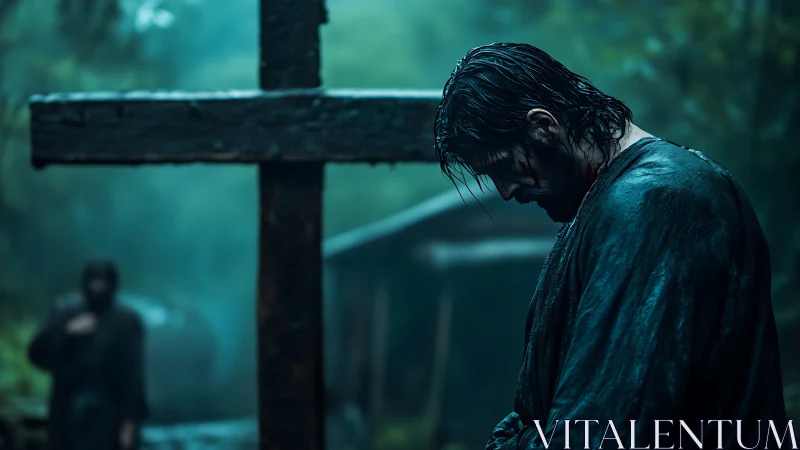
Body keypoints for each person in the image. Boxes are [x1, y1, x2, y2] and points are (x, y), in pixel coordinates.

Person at [434, 43, 788, 449]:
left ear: (543, 126)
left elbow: (601, 432)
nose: (506, 191)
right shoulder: (609, 201)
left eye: (504, 165)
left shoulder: (655, 202)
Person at [28, 260, 148, 450]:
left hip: (109, 408)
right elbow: (37, 355)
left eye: (103, 282)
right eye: (94, 281)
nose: (98, 287)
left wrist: (130, 421)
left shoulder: (126, 320)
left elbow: (134, 374)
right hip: (66, 407)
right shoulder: (65, 310)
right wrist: (66, 331)